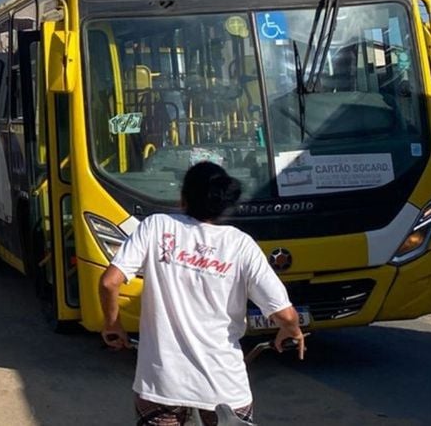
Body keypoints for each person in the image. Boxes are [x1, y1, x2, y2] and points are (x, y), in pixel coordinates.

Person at [98, 162, 306, 426]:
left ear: (183, 198)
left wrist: (113, 325)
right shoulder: (240, 245)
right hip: (225, 391)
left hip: (162, 387)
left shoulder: (156, 227)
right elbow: (285, 315)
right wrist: (292, 330)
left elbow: (109, 283)